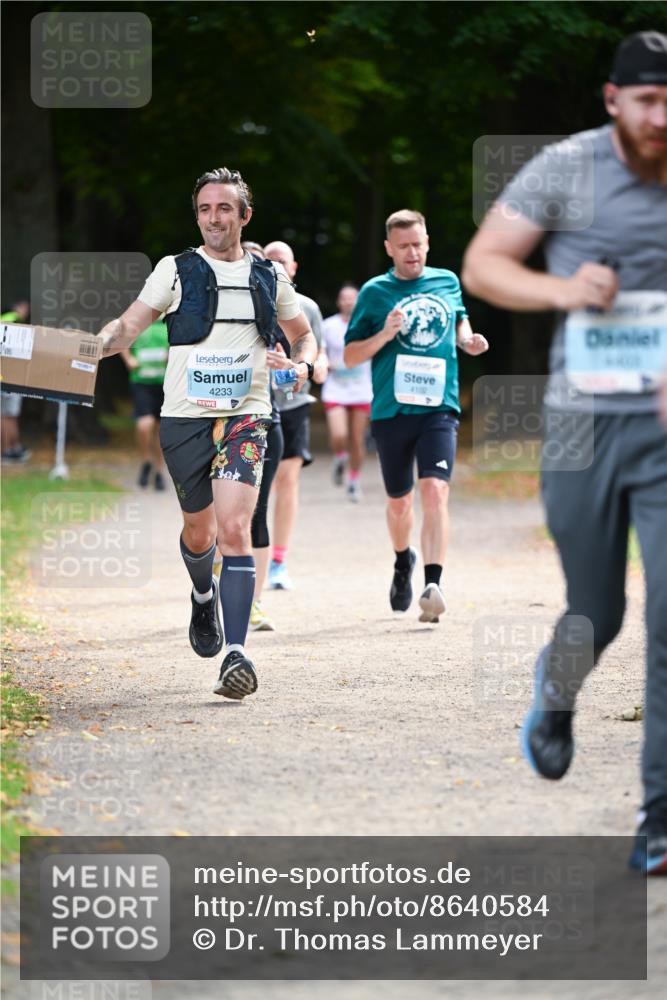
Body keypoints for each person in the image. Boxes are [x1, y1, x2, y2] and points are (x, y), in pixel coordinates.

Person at [461, 31, 667, 873]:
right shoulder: (568, 166)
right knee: (598, 611)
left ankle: (657, 816)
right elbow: (482, 265)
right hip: (582, 424)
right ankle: (556, 696)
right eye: (648, 101)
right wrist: (562, 288)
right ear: (613, 98)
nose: (661, 118)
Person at [98, 167, 318, 699]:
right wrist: (94, 345)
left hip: (248, 414)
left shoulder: (269, 275)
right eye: (204, 209)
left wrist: (301, 366)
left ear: (244, 216)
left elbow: (304, 335)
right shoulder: (174, 270)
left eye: (224, 209)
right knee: (200, 532)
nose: (213, 218)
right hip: (184, 417)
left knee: (235, 526)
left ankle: (237, 654)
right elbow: (129, 325)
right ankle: (202, 595)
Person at [344, 209, 488, 622]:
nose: (412, 253)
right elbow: (351, 355)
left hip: (439, 407)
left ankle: (433, 584)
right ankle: (402, 558)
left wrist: (468, 341)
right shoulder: (374, 292)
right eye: (403, 246)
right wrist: (385, 334)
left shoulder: (447, 281)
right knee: (399, 504)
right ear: (389, 248)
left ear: (428, 242)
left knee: (435, 492)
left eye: (418, 244)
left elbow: (459, 322)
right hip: (392, 411)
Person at [262, 240, 326, 590]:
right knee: (255, 487)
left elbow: (319, 361)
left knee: (287, 479)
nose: (275, 266)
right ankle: (247, 553)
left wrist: (299, 368)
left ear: (294, 267)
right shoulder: (251, 303)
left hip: (294, 404)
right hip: (255, 404)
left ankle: (278, 562)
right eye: (268, 261)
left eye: (281, 261)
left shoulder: (307, 309)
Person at [321, 284, 373, 502]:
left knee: (357, 439)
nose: (348, 302)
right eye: (344, 298)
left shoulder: (368, 324)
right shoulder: (328, 325)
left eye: (353, 298)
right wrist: (324, 363)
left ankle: (353, 481)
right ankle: (340, 458)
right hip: (335, 388)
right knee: (339, 435)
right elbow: (320, 351)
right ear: (338, 302)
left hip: (361, 389)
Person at [120, 319, 169, 490]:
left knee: (161, 431)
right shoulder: (139, 322)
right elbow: (122, 341)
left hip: (165, 384)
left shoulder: (170, 321)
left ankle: (160, 471)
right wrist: (128, 359)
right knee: (144, 425)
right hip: (141, 383)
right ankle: (146, 460)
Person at [1, 301, 32, 463]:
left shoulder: (4, 318)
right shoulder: (15, 320)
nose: (26, 311)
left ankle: (13, 447)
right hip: (9, 377)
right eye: (25, 307)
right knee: (7, 415)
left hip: (6, 376)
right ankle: (7, 449)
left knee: (8, 415)